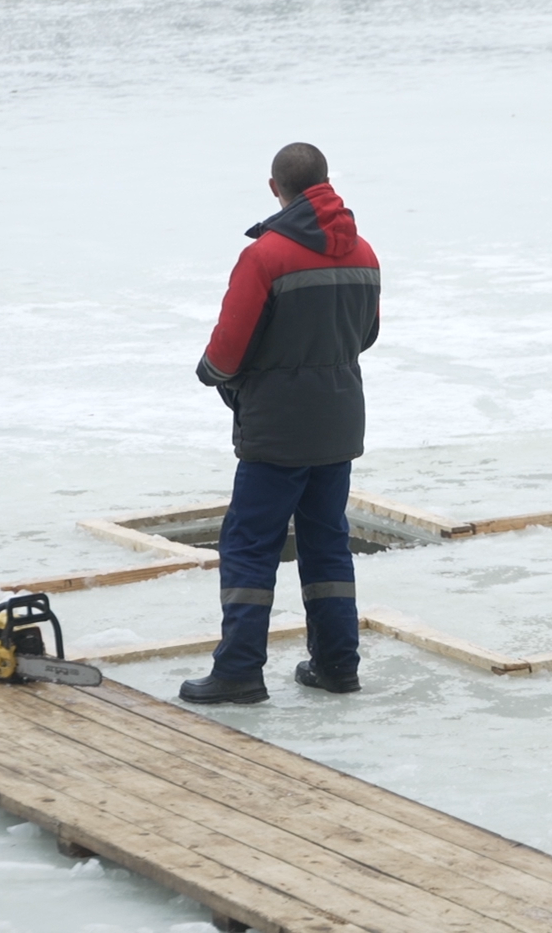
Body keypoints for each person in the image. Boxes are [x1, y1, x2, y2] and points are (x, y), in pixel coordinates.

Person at [180, 142, 381, 705]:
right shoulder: (364, 252)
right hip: (339, 422)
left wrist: (211, 374)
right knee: (327, 543)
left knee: (250, 544)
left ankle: (239, 670)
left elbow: (227, 350)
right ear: (326, 181)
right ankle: (337, 666)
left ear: (276, 188)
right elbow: (367, 335)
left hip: (276, 428)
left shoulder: (265, 256)